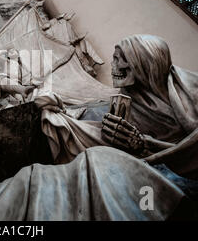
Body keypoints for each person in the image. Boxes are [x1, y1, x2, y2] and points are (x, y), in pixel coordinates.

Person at [36, 35, 198, 179]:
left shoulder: (191, 88)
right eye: (114, 58)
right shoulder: (128, 102)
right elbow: (107, 139)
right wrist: (62, 117)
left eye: (119, 59)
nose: (113, 65)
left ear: (144, 62)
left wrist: (143, 144)